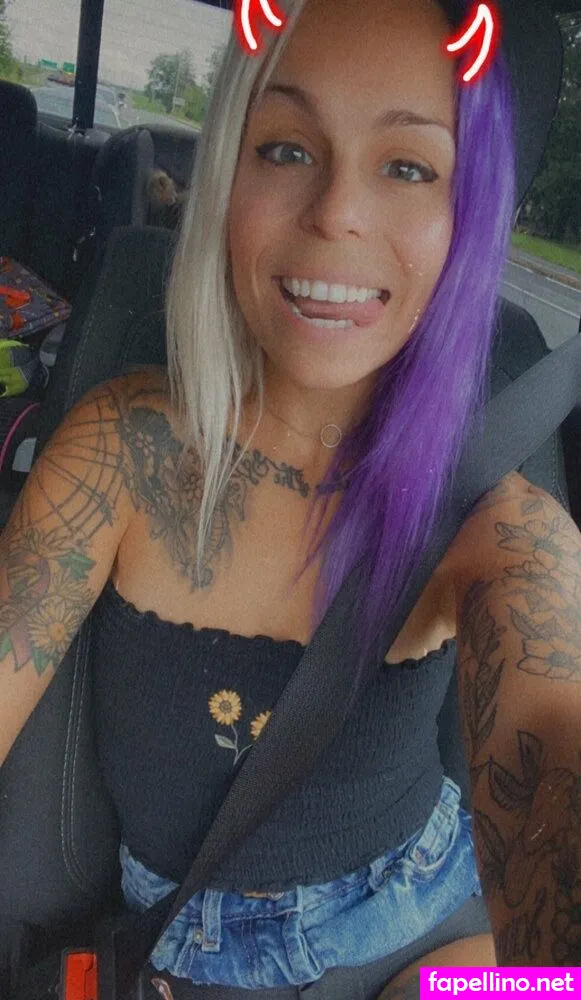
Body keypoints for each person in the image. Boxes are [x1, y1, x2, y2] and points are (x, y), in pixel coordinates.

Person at [1, 0, 581, 996]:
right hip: (182, 952)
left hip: (442, 943)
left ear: (468, 216)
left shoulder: (501, 523)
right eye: (284, 149)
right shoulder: (121, 452)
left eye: (408, 167)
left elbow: (552, 750)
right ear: (224, 174)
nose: (336, 212)